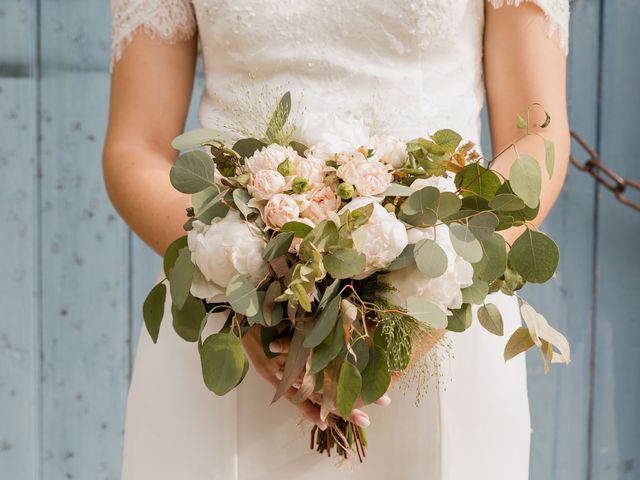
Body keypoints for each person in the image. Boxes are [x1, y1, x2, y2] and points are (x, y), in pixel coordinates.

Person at [103, 1, 571, 478]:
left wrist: (430, 304)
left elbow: (537, 132)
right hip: (232, 314)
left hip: (441, 304)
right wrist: (246, 291)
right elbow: (136, 144)